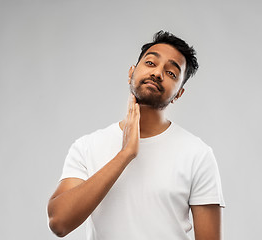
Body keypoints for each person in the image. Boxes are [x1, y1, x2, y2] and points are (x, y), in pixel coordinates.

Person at [47, 30, 225, 240]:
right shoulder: (86, 146)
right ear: (131, 72)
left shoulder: (198, 154)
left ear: (179, 94)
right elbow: (59, 222)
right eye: (151, 63)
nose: (158, 73)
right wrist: (125, 154)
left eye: (171, 73)